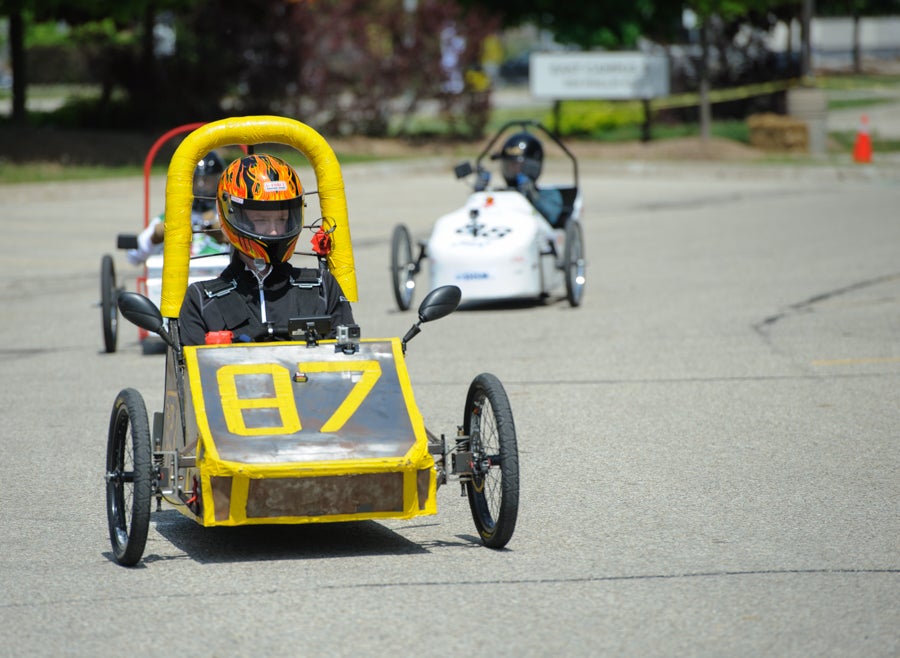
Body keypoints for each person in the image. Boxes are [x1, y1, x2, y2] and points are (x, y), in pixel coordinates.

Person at [178, 153, 354, 346]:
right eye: (260, 220)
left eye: (282, 219)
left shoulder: (322, 288)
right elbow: (193, 372)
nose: (274, 230)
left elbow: (349, 359)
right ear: (231, 216)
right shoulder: (202, 301)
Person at [126, 151, 230, 265]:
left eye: (207, 181)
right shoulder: (170, 216)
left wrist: (224, 236)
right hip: (173, 277)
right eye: (196, 180)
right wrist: (154, 238)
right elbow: (133, 257)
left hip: (217, 275)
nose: (201, 186)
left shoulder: (227, 215)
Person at [498, 132, 564, 225]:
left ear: (532, 167)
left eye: (518, 166)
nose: (513, 170)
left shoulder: (549, 195)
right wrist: (479, 193)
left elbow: (551, 217)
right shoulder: (501, 195)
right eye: (509, 165)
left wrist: (532, 195)